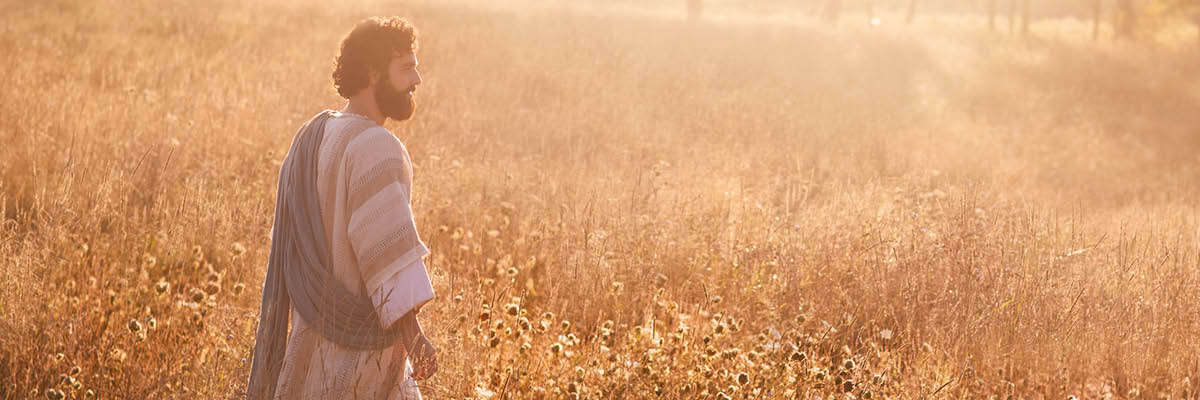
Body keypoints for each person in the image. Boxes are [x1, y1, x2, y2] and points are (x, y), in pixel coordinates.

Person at [246, 16, 437, 400]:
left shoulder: (315, 135)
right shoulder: (376, 146)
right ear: (371, 73)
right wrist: (414, 336)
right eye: (406, 68)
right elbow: (387, 257)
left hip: (308, 350)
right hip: (364, 362)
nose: (417, 80)